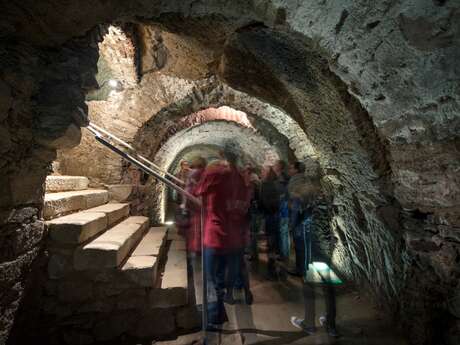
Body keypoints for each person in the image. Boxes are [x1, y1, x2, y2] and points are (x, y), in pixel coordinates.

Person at [193, 142, 251, 325]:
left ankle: (213, 318)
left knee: (212, 281)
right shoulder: (242, 178)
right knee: (228, 278)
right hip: (236, 237)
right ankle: (223, 308)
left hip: (216, 235)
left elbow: (198, 191)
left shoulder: (215, 173)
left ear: (221, 154)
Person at [287, 162, 338, 337]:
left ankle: (309, 323)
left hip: (309, 246)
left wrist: (292, 235)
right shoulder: (323, 196)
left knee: (308, 284)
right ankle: (331, 325)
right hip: (325, 244)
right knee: (327, 284)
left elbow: (294, 223)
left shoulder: (299, 199)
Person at [259, 165, 282, 280]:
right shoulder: (275, 183)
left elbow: (265, 200)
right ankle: (273, 264)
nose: (261, 172)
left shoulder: (267, 184)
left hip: (271, 215)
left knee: (272, 241)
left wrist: (264, 209)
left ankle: (272, 268)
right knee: (273, 240)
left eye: (263, 171)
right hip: (274, 214)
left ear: (268, 173)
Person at [184, 156, 207, 254]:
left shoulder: (193, 173)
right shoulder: (202, 173)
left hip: (195, 201)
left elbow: (188, 188)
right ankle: (200, 246)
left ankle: (197, 246)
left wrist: (185, 204)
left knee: (197, 225)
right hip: (200, 201)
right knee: (201, 225)